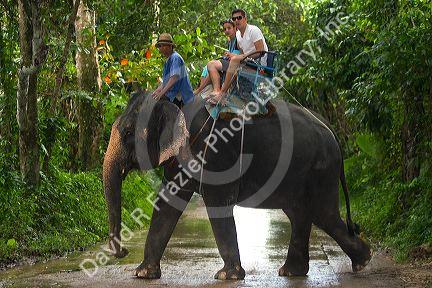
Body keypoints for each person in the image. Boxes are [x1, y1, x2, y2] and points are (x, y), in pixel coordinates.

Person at [208, 8, 268, 104]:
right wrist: (233, 56)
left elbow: (261, 51)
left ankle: (221, 95)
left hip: (258, 65)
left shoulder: (254, 30)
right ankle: (217, 90)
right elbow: (241, 53)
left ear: (245, 19)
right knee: (213, 64)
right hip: (246, 62)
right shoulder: (238, 35)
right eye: (234, 19)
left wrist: (241, 57)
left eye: (239, 18)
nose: (236, 20)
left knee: (235, 60)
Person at [194, 19, 240, 95]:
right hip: (230, 62)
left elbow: (241, 54)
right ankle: (200, 89)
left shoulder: (238, 39)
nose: (227, 31)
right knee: (207, 68)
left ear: (235, 28)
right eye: (225, 29)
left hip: (235, 64)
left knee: (211, 64)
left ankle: (216, 90)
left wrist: (230, 55)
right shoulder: (231, 41)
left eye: (229, 28)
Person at [152, 33, 194, 106]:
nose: (160, 48)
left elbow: (174, 78)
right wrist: (157, 90)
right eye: (160, 46)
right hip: (172, 95)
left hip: (180, 96)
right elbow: (166, 81)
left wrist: (162, 93)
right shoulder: (167, 61)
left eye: (163, 45)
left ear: (170, 46)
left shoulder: (175, 58)